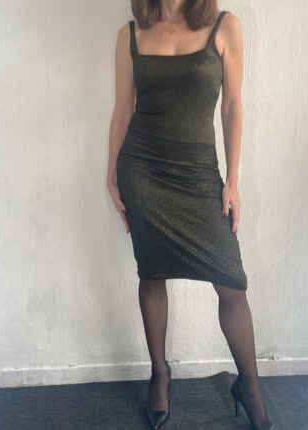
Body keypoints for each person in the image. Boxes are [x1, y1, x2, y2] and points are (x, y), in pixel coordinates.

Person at [107, 1, 277, 429]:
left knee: (232, 285)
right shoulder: (130, 35)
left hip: (199, 174)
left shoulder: (225, 27)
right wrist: (111, 174)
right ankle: (160, 374)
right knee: (152, 274)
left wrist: (232, 180)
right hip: (142, 172)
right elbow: (123, 110)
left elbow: (232, 105)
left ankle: (250, 387)